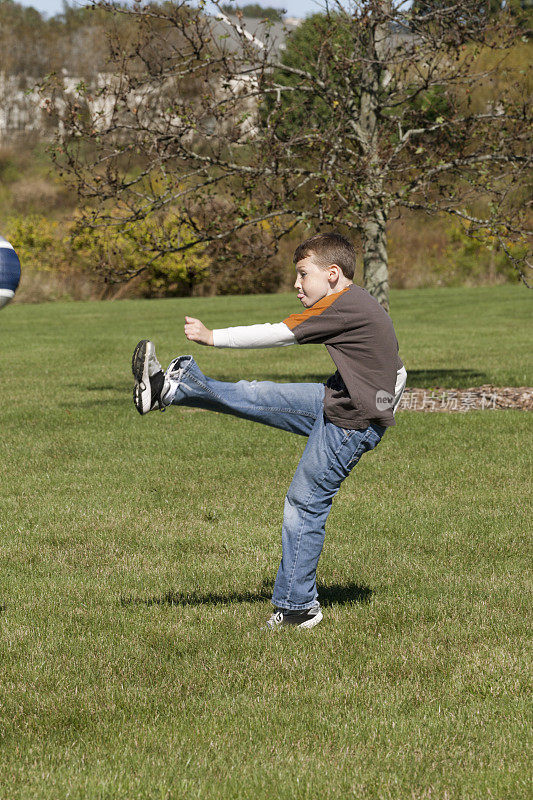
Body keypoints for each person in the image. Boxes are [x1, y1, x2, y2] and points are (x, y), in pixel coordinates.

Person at [132, 232, 407, 629]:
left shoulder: (343, 306)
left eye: (302, 275)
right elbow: (397, 369)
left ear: (332, 274)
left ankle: (298, 608)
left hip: (350, 421)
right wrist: (385, 402)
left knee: (305, 502)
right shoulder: (356, 301)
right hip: (342, 399)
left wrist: (213, 337)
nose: (296, 285)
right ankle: (171, 388)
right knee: (257, 394)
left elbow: (279, 333)